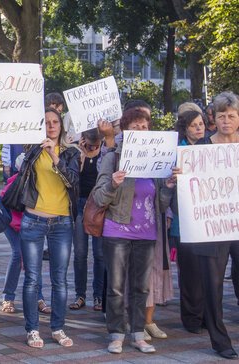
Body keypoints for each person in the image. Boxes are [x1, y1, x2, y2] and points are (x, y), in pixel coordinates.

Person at [92, 107, 174, 354]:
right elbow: (98, 195)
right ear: (125, 131)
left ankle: (138, 334)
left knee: (141, 287)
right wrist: (114, 184)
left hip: (147, 233)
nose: (141, 130)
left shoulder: (157, 161)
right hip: (117, 229)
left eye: (145, 126)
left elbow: (160, 204)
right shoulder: (113, 158)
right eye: (135, 126)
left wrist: (168, 186)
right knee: (116, 286)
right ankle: (116, 334)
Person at [183, 91, 239, 359]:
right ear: (213, 118)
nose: (226, 120)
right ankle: (220, 340)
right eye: (221, 116)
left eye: (231, 115)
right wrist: (178, 179)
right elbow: (191, 189)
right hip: (213, 226)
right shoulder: (201, 149)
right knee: (213, 285)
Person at [18, 107, 79, 348]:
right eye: (46, 123)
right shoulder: (31, 151)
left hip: (62, 222)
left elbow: (72, 182)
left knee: (60, 280)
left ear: (61, 126)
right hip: (33, 220)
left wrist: (55, 156)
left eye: (55, 122)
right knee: (32, 279)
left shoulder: (71, 153)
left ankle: (57, 327)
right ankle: (32, 329)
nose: (51, 126)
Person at [170, 110, 206, 335]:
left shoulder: (211, 149)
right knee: (190, 272)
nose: (199, 128)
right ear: (185, 128)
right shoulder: (176, 153)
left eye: (201, 124)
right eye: (194, 125)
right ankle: (192, 318)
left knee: (208, 273)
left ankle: (207, 316)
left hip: (207, 219)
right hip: (184, 221)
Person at [69, 129, 104, 312]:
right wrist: (82, 155)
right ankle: (80, 294)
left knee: (99, 254)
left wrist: (98, 153)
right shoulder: (77, 152)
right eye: (90, 145)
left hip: (98, 205)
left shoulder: (105, 153)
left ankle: (98, 295)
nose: (93, 149)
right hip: (80, 205)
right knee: (80, 253)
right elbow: (74, 178)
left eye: (96, 146)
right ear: (83, 141)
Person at [0, 153, 25, 313]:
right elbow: (2, 202)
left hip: (27, 225)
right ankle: (8, 297)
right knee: (18, 253)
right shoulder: (13, 184)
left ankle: (39, 297)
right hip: (11, 224)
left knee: (32, 259)